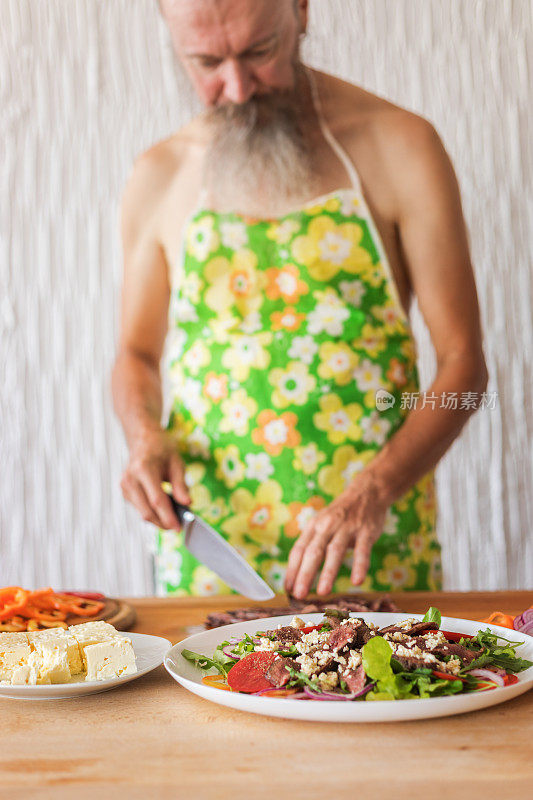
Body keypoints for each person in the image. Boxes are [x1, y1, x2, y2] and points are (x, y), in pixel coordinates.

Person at [112, 0, 488, 599]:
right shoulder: (159, 174)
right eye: (206, 62)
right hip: (212, 560)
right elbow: (135, 353)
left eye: (259, 51)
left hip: (371, 546)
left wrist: (373, 493)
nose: (236, 88)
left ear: (302, 11)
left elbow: (464, 367)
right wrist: (143, 436)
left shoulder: (401, 146)